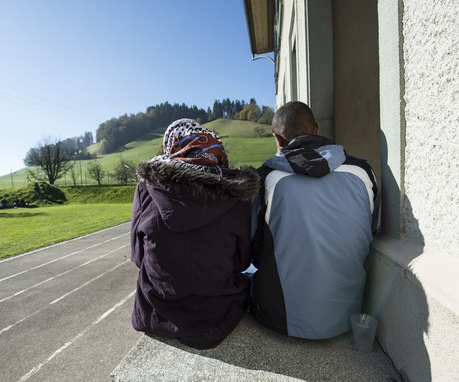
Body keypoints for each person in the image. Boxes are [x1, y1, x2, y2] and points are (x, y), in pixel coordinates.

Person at [250, 101, 380, 340]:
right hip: (348, 316)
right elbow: (370, 232)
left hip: (278, 318)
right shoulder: (363, 172)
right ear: (316, 129)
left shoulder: (266, 178)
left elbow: (254, 249)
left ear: (278, 139)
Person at [130, 118, 260, 349]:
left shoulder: (146, 188)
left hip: (157, 311)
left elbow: (138, 257)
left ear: (172, 147)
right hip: (220, 311)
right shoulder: (237, 195)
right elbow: (241, 261)